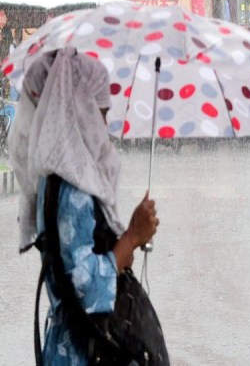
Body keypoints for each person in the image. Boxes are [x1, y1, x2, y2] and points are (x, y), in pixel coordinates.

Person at [9, 47, 160, 365]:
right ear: (79, 111)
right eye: (99, 114)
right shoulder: (73, 187)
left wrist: (123, 245)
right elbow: (86, 287)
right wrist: (131, 237)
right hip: (83, 352)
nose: (103, 126)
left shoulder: (53, 177)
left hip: (67, 344)